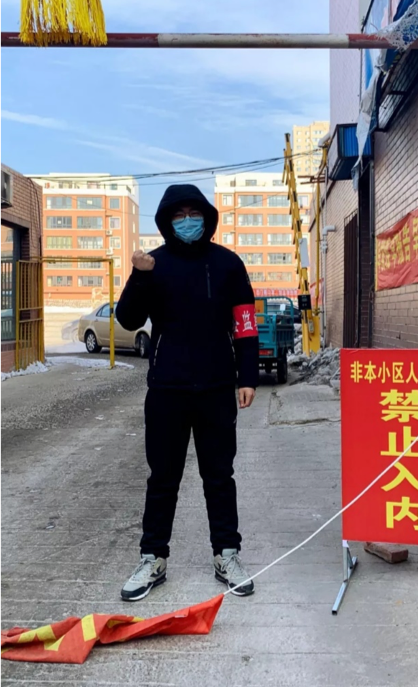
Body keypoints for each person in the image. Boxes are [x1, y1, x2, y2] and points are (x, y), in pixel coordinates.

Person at [116, 184, 259, 601]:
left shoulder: (228, 264)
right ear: (166, 221)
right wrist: (139, 276)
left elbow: (245, 324)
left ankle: (227, 554)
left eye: (193, 213)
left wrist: (247, 376)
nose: (187, 221)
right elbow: (127, 319)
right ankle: (153, 558)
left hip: (216, 388)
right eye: (178, 215)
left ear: (206, 217)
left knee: (219, 476)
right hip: (167, 389)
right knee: (163, 478)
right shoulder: (154, 264)